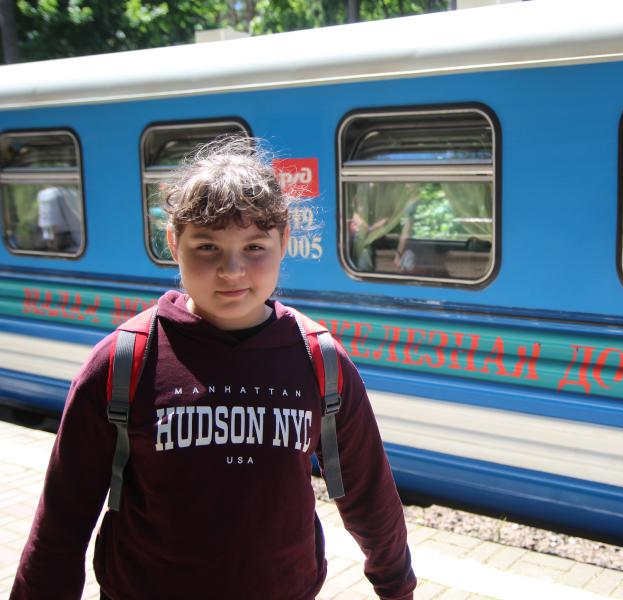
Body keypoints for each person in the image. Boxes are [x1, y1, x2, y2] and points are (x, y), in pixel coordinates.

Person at [11, 137, 416, 600]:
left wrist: (397, 587)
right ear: (173, 242)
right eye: (207, 246)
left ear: (284, 241)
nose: (232, 270)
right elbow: (63, 516)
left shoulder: (319, 361)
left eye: (254, 246)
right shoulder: (123, 362)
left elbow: (368, 493)